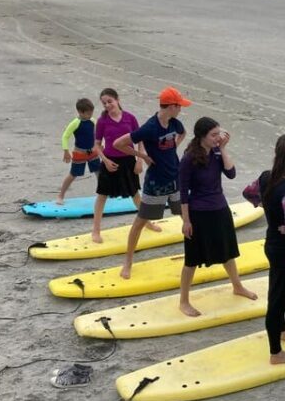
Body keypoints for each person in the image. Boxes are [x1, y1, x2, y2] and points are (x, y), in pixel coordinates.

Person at [178, 117, 257, 315]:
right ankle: (183, 301)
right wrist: (186, 220)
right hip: (199, 213)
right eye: (213, 135)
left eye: (218, 134)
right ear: (201, 136)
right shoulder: (189, 158)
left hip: (220, 209)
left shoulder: (216, 152)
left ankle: (237, 286)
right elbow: (183, 192)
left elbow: (231, 174)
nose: (217, 138)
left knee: (227, 252)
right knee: (192, 259)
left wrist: (222, 149)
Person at [242, 134, 285, 364]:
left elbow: (248, 193)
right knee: (277, 297)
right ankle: (275, 352)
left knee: (277, 291)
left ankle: (282, 331)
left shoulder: (265, 178)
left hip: (272, 244)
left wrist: (268, 210)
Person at [114, 87, 189, 278]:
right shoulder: (150, 128)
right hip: (156, 184)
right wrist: (142, 156)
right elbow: (118, 144)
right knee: (140, 222)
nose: (181, 109)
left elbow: (183, 132)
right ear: (171, 106)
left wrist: (173, 148)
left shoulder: (174, 123)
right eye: (179, 106)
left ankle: (200, 252)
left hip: (176, 179)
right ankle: (128, 263)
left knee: (187, 217)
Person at [91, 88, 156, 243]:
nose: (107, 105)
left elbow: (140, 140)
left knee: (135, 194)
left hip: (129, 161)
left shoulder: (130, 118)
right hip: (110, 161)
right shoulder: (102, 121)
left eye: (110, 101)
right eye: (104, 103)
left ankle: (147, 222)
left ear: (117, 99)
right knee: (102, 196)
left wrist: (140, 161)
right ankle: (95, 231)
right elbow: (97, 145)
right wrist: (105, 161)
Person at [56, 98, 100, 204]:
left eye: (91, 113)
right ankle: (60, 195)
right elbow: (65, 137)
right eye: (88, 113)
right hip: (79, 152)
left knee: (99, 172)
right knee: (73, 174)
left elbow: (98, 134)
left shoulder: (93, 121)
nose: (90, 115)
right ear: (80, 112)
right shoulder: (75, 123)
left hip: (92, 151)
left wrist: (100, 145)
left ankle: (103, 194)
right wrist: (66, 151)